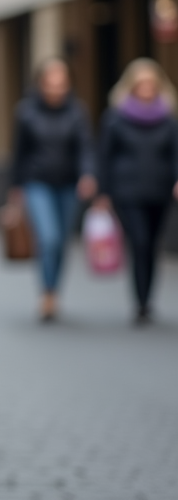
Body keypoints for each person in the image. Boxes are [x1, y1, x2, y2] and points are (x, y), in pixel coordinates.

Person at [8, 58, 96, 323]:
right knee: (49, 238)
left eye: (62, 82)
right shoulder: (26, 112)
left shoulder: (77, 112)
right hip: (37, 183)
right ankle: (47, 292)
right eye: (51, 82)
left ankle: (54, 289)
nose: (56, 88)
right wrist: (14, 187)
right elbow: (18, 153)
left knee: (61, 243)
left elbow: (85, 148)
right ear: (41, 83)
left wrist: (88, 174)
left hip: (69, 184)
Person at [94, 58, 178, 325]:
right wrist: (103, 193)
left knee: (152, 245)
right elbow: (104, 156)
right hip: (127, 191)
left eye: (150, 84)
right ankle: (140, 301)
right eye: (141, 84)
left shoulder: (168, 119)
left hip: (160, 189)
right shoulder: (116, 119)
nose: (146, 89)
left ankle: (147, 298)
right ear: (131, 86)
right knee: (139, 241)